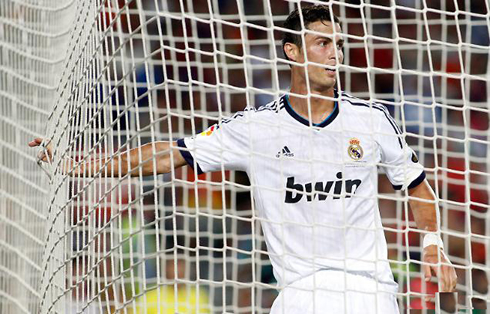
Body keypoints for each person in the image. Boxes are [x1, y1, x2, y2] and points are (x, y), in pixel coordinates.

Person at [30, 4, 457, 313]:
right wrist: (78, 163)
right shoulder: (256, 128)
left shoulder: (372, 120)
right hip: (300, 293)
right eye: (323, 43)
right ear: (292, 52)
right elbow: (170, 155)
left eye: (338, 45)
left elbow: (416, 184)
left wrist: (433, 244)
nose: (335, 55)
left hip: (370, 291)